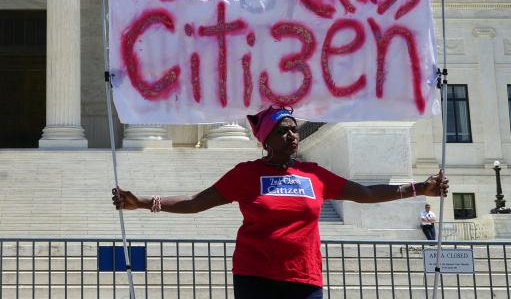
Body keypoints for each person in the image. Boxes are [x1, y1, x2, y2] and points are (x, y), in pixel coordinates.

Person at [113, 106, 449, 299]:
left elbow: (367, 194)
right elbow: (197, 202)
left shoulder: (314, 174)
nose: (292, 135)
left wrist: (421, 187)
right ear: (266, 141)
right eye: (283, 131)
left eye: (294, 129)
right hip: (255, 278)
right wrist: (142, 202)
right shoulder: (246, 174)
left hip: (304, 278)